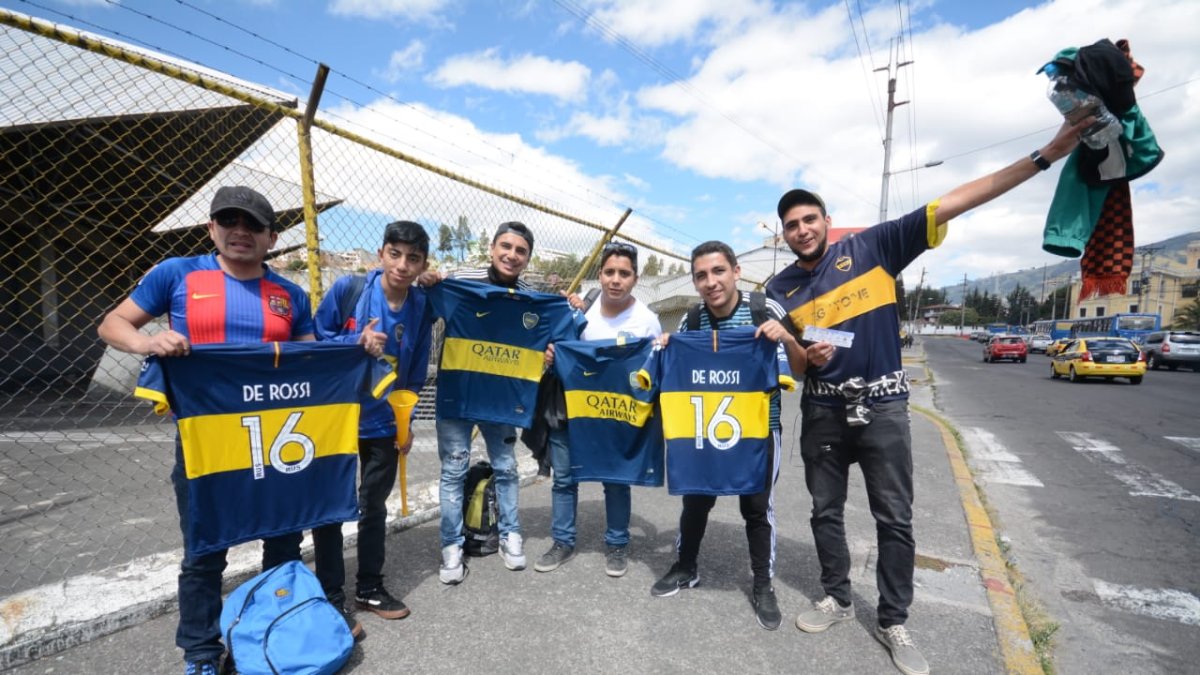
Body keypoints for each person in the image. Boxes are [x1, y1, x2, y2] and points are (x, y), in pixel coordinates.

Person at [767, 119, 1088, 675]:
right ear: (783, 234)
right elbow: (795, 360)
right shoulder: (778, 289)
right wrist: (805, 355)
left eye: (809, 219)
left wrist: (1047, 154)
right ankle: (839, 599)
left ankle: (894, 621)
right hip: (821, 409)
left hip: (885, 407)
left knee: (894, 517)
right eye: (791, 224)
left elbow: (958, 200)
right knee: (825, 512)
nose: (801, 229)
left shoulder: (875, 246)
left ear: (827, 222)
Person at [97, 186, 316, 675]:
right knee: (205, 549)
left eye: (253, 224)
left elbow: (311, 358)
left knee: (283, 541)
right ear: (211, 228)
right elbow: (112, 323)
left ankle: (274, 635)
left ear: (271, 237)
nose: (241, 231)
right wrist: (147, 340)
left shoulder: (290, 294)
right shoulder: (176, 273)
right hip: (206, 443)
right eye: (230, 220)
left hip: (277, 440)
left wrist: (354, 349)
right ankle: (200, 651)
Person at [649, 241, 806, 631]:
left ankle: (763, 585)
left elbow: (799, 365)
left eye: (718, 271)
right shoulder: (692, 320)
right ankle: (686, 568)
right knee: (695, 501)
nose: (710, 282)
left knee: (756, 508)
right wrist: (668, 348)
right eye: (701, 275)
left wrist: (784, 337)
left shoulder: (763, 308)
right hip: (704, 428)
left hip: (756, 430)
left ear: (736, 271)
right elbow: (680, 364)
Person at [311, 221, 435, 629]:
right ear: (381, 254)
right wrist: (354, 343)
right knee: (330, 507)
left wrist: (407, 421)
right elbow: (314, 339)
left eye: (413, 258)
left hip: (384, 422)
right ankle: (330, 594)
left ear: (422, 264)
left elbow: (415, 372)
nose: (402, 264)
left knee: (373, 506)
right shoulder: (349, 289)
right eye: (395, 254)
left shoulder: (420, 307)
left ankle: (368, 587)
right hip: (337, 417)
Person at [534, 241, 662, 577]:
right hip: (572, 410)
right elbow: (555, 347)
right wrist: (551, 356)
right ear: (600, 275)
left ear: (636, 278)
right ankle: (562, 541)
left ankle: (617, 544)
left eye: (624, 273)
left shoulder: (648, 321)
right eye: (609, 272)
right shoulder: (579, 312)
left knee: (616, 480)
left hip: (616, 414)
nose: (615, 280)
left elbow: (653, 370)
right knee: (564, 478)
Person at [426, 222, 538, 584]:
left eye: (521, 251)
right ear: (492, 248)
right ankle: (451, 545)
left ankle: (510, 534)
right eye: (506, 246)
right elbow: (426, 302)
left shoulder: (530, 295)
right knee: (453, 470)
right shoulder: (461, 279)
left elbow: (552, 333)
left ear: (527, 258)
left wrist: (572, 304)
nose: (512, 255)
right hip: (458, 392)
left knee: (506, 468)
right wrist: (427, 281)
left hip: (501, 399)